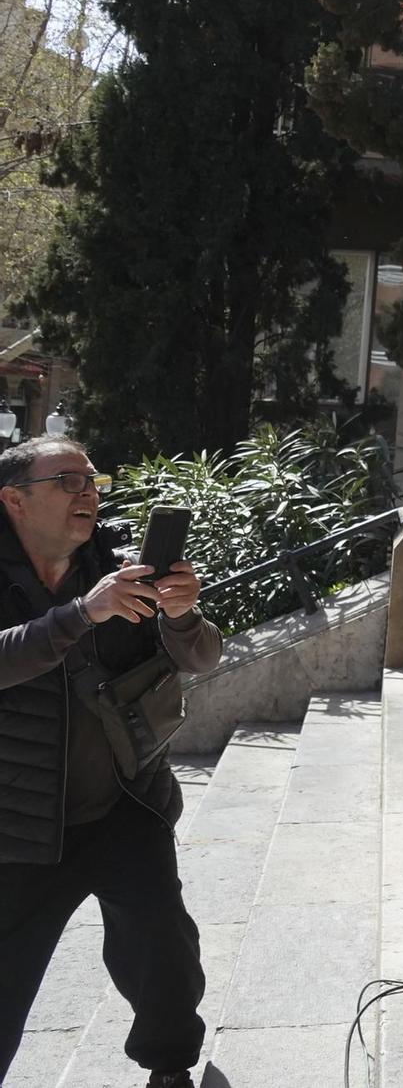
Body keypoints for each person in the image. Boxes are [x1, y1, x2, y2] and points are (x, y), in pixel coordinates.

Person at [0, 437, 221, 1088]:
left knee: (161, 950)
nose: (87, 492)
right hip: (18, 818)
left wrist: (182, 615)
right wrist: (79, 613)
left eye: (92, 479)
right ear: (14, 497)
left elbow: (202, 657)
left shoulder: (120, 563)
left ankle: (171, 1063)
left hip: (125, 799)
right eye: (67, 479)